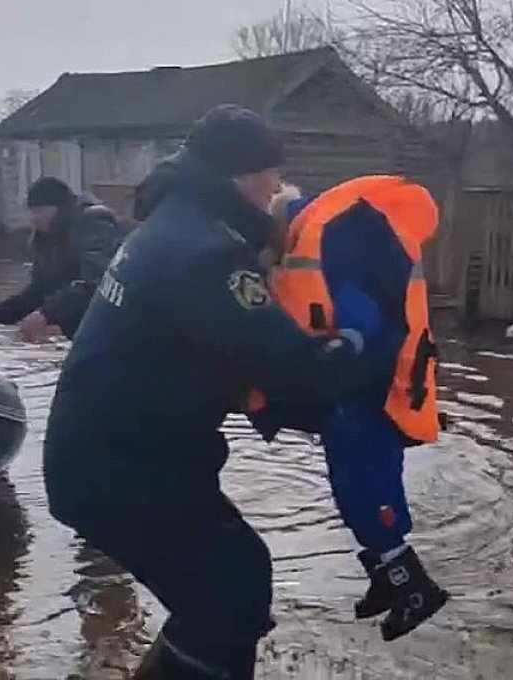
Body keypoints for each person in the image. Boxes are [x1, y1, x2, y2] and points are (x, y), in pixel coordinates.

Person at [42, 105, 369, 680]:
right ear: (243, 179)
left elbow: (226, 359)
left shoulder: (173, 226)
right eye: (272, 179)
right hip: (121, 467)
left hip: (112, 456)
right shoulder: (206, 255)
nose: (277, 192)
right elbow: (292, 366)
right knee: (228, 591)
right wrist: (357, 347)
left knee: (233, 577)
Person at [252, 176, 448, 642]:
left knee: (367, 486)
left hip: (368, 387)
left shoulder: (335, 229)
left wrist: (348, 343)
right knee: (349, 484)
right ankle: (384, 576)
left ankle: (416, 589)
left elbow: (363, 303)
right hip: (351, 387)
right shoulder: (313, 229)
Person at [0, 177, 121, 342]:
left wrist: (46, 315)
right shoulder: (47, 239)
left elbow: (98, 283)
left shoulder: (94, 225)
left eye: (39, 211)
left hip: (117, 325)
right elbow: (39, 290)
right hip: (89, 331)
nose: (33, 219)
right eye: (31, 212)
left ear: (58, 208)